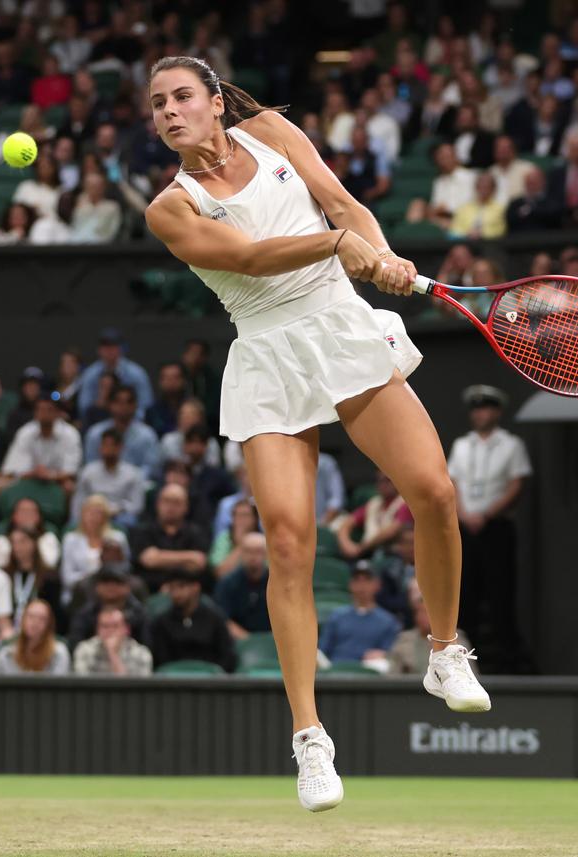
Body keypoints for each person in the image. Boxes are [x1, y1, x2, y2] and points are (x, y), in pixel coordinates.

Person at [145, 56, 489, 811]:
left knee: (433, 491)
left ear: (213, 102)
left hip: (340, 324)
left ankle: (443, 650)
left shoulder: (270, 130)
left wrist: (378, 249)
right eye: (158, 104)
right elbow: (245, 258)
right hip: (269, 351)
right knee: (291, 541)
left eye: (181, 97)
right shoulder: (171, 207)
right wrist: (338, 245)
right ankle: (310, 738)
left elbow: (341, 203)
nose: (169, 112)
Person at [447, 385, 531, 665]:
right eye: (476, 408)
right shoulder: (461, 445)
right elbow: (453, 482)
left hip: (496, 527)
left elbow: (516, 484)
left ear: (497, 411)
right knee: (465, 593)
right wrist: (464, 514)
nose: (480, 413)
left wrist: (486, 514)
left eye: (486, 408)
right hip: (466, 527)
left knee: (500, 592)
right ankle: (463, 660)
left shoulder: (511, 444)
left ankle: (507, 659)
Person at [150, 570, 237, 672]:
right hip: (174, 681)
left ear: (196, 587)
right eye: (172, 588)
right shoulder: (161, 623)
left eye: (181, 587)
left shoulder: (215, 619)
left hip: (209, 682)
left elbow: (227, 655)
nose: (176, 593)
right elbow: (160, 659)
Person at [129, 484, 209, 593]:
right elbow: (149, 560)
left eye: (176, 502)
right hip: (149, 591)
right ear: (158, 504)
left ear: (186, 507)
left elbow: (199, 562)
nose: (170, 507)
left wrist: (160, 557)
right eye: (166, 501)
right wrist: (189, 557)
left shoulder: (196, 532)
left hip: (186, 592)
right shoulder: (143, 530)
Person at [318, 562, 400, 667]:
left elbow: (390, 654)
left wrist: (384, 655)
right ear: (350, 584)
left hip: (370, 672)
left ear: (377, 584)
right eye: (357, 580)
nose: (362, 585)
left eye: (367, 580)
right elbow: (323, 651)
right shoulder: (337, 616)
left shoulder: (388, 621)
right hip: (335, 670)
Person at [0, 393, 82, 495]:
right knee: (1, 483)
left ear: (58, 413)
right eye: (40, 409)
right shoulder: (25, 432)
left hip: (57, 481)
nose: (44, 413)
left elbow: (71, 472)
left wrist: (49, 475)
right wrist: (35, 473)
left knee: (69, 486)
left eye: (49, 409)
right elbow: (12, 469)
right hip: (29, 479)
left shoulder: (71, 434)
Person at [388, 582, 471, 675]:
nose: (423, 617)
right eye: (419, 612)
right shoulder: (404, 640)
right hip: (411, 688)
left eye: (427, 613)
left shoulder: (456, 639)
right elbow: (392, 676)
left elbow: (470, 677)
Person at [61, 494, 130, 604]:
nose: (94, 518)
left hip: (112, 590)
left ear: (105, 517)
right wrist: (94, 576)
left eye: (98, 513)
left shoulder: (118, 538)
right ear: (82, 515)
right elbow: (68, 579)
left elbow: (125, 569)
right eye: (90, 513)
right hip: (79, 593)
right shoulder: (71, 540)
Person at [83, 384, 161, 478]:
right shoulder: (95, 433)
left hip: (135, 485)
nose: (124, 407)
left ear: (135, 405)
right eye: (118, 402)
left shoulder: (147, 435)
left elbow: (151, 469)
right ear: (110, 405)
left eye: (128, 402)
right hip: (101, 484)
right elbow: (91, 465)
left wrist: (126, 480)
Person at [72, 429, 145, 529]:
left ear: (120, 448)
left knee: (130, 521)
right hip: (91, 514)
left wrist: (117, 509)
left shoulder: (133, 474)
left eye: (112, 445)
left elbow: (137, 505)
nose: (107, 449)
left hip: (119, 516)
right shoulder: (88, 472)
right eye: (104, 445)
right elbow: (78, 501)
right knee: (73, 524)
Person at [76, 328, 154, 417]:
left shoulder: (137, 373)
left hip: (131, 421)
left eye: (113, 346)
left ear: (121, 349)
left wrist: (125, 419)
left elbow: (146, 406)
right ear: (99, 350)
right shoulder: (90, 374)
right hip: (99, 422)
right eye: (105, 347)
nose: (109, 351)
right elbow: (84, 407)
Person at [336, 471, 412, 561]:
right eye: (380, 481)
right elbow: (347, 524)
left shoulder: (405, 503)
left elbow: (392, 531)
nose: (383, 484)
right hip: (368, 554)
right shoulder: (374, 504)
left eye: (387, 480)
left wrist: (362, 548)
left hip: (394, 556)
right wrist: (347, 545)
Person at [2, 526, 65, 631]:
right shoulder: (5, 575)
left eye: (22, 541)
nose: (17, 547)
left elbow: (54, 612)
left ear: (34, 543)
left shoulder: (49, 577)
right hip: (9, 630)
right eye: (14, 542)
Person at [214, 531, 270, 640]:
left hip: (272, 642)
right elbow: (222, 620)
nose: (253, 557)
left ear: (266, 554)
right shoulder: (227, 583)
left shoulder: (275, 584)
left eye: (258, 551)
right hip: (237, 643)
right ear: (241, 553)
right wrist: (248, 640)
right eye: (248, 551)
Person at [0, 598, 70, 675]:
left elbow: (59, 685)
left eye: (41, 618)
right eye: (31, 616)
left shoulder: (59, 653)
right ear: (22, 620)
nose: (35, 622)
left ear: (49, 624)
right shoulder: (6, 655)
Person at [73, 604, 154, 676]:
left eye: (115, 626)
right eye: (105, 626)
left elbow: (137, 690)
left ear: (126, 629)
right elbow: (82, 688)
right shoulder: (84, 650)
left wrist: (113, 654)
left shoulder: (141, 654)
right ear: (97, 630)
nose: (110, 631)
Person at [0, 497, 62, 570]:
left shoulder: (48, 539)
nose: (27, 515)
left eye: (31, 511)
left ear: (39, 516)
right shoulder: (1, 541)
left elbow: (49, 565)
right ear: (14, 516)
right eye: (23, 511)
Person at [210, 498, 262, 577]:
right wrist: (241, 545)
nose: (240, 519)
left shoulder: (263, 539)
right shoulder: (224, 538)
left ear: (255, 518)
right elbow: (220, 572)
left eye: (245, 515)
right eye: (237, 515)